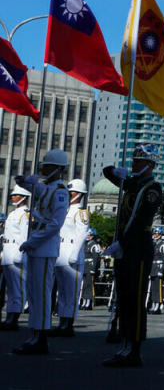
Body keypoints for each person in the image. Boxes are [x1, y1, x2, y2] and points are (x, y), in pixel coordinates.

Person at [101, 144, 163, 366]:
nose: (133, 164)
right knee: (124, 297)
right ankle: (125, 344)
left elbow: (140, 221)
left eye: (138, 161)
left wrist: (122, 243)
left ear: (149, 164)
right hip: (125, 248)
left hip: (138, 248)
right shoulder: (132, 185)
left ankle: (134, 348)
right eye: (133, 160)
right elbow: (107, 172)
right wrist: (116, 172)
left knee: (135, 299)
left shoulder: (152, 189)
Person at [12, 149, 70, 355]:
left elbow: (55, 224)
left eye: (47, 165)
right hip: (36, 245)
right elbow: (34, 187)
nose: (43, 168)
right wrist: (23, 181)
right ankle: (34, 334)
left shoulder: (61, 192)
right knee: (33, 293)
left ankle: (41, 336)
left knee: (42, 293)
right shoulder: (46, 187)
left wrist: (33, 241)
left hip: (44, 247)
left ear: (58, 168)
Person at [50, 178, 90, 337]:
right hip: (60, 253)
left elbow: (81, 234)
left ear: (78, 194)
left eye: (71, 192)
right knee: (62, 291)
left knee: (71, 292)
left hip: (72, 254)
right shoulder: (64, 210)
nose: (69, 194)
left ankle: (68, 324)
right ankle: (61, 322)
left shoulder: (81, 212)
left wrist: (74, 254)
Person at [1, 184, 32, 330]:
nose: (13, 196)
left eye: (16, 194)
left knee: (18, 287)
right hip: (8, 251)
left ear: (24, 197)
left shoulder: (25, 214)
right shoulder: (13, 213)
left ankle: (14, 318)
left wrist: (20, 255)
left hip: (17, 252)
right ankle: (9, 316)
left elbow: (25, 236)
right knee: (10, 288)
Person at [148, 228, 164, 314]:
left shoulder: (163, 245)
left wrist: (162, 270)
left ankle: (158, 306)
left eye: (156, 233)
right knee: (153, 289)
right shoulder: (154, 244)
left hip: (158, 267)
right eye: (154, 233)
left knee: (158, 289)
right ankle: (154, 304)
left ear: (160, 235)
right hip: (153, 268)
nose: (154, 235)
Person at [80, 230, 102, 310]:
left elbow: (95, 258)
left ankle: (88, 303)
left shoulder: (94, 245)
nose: (88, 236)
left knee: (89, 285)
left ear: (93, 236)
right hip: (84, 267)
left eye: (90, 235)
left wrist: (93, 269)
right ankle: (84, 301)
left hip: (90, 267)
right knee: (84, 285)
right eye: (88, 235)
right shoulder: (85, 244)